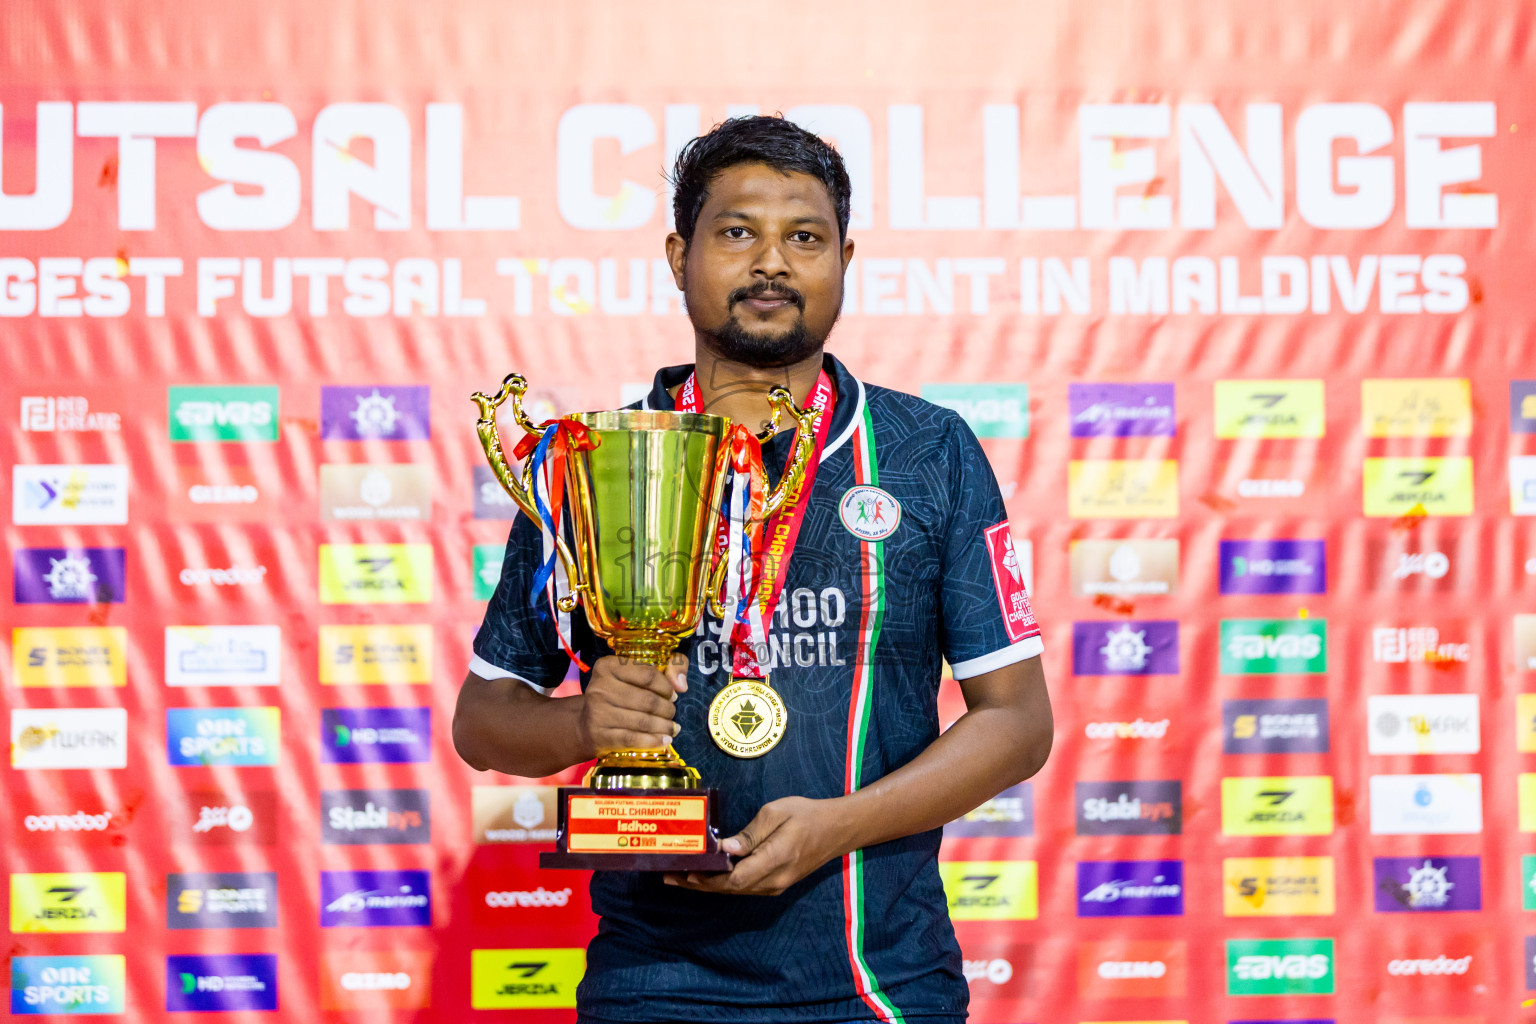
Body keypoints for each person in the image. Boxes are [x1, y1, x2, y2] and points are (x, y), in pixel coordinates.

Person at [454, 114, 1053, 1024]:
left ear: (845, 259)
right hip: (652, 988)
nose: (771, 262)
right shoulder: (593, 461)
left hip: (882, 988)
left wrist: (836, 827)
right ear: (677, 254)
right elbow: (483, 721)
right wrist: (584, 721)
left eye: (803, 237)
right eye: (737, 232)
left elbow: (1018, 724)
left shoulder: (929, 453)